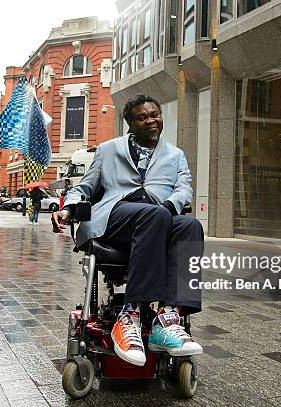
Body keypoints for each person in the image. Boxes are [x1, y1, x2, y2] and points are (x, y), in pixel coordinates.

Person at [51, 94, 203, 367]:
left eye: (155, 114)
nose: (151, 120)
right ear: (130, 124)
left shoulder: (176, 155)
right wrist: (68, 209)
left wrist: (171, 205)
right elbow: (85, 187)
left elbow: (184, 189)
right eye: (142, 117)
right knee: (154, 215)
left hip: (159, 216)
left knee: (190, 225)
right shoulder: (109, 149)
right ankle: (129, 314)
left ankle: (167, 317)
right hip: (117, 217)